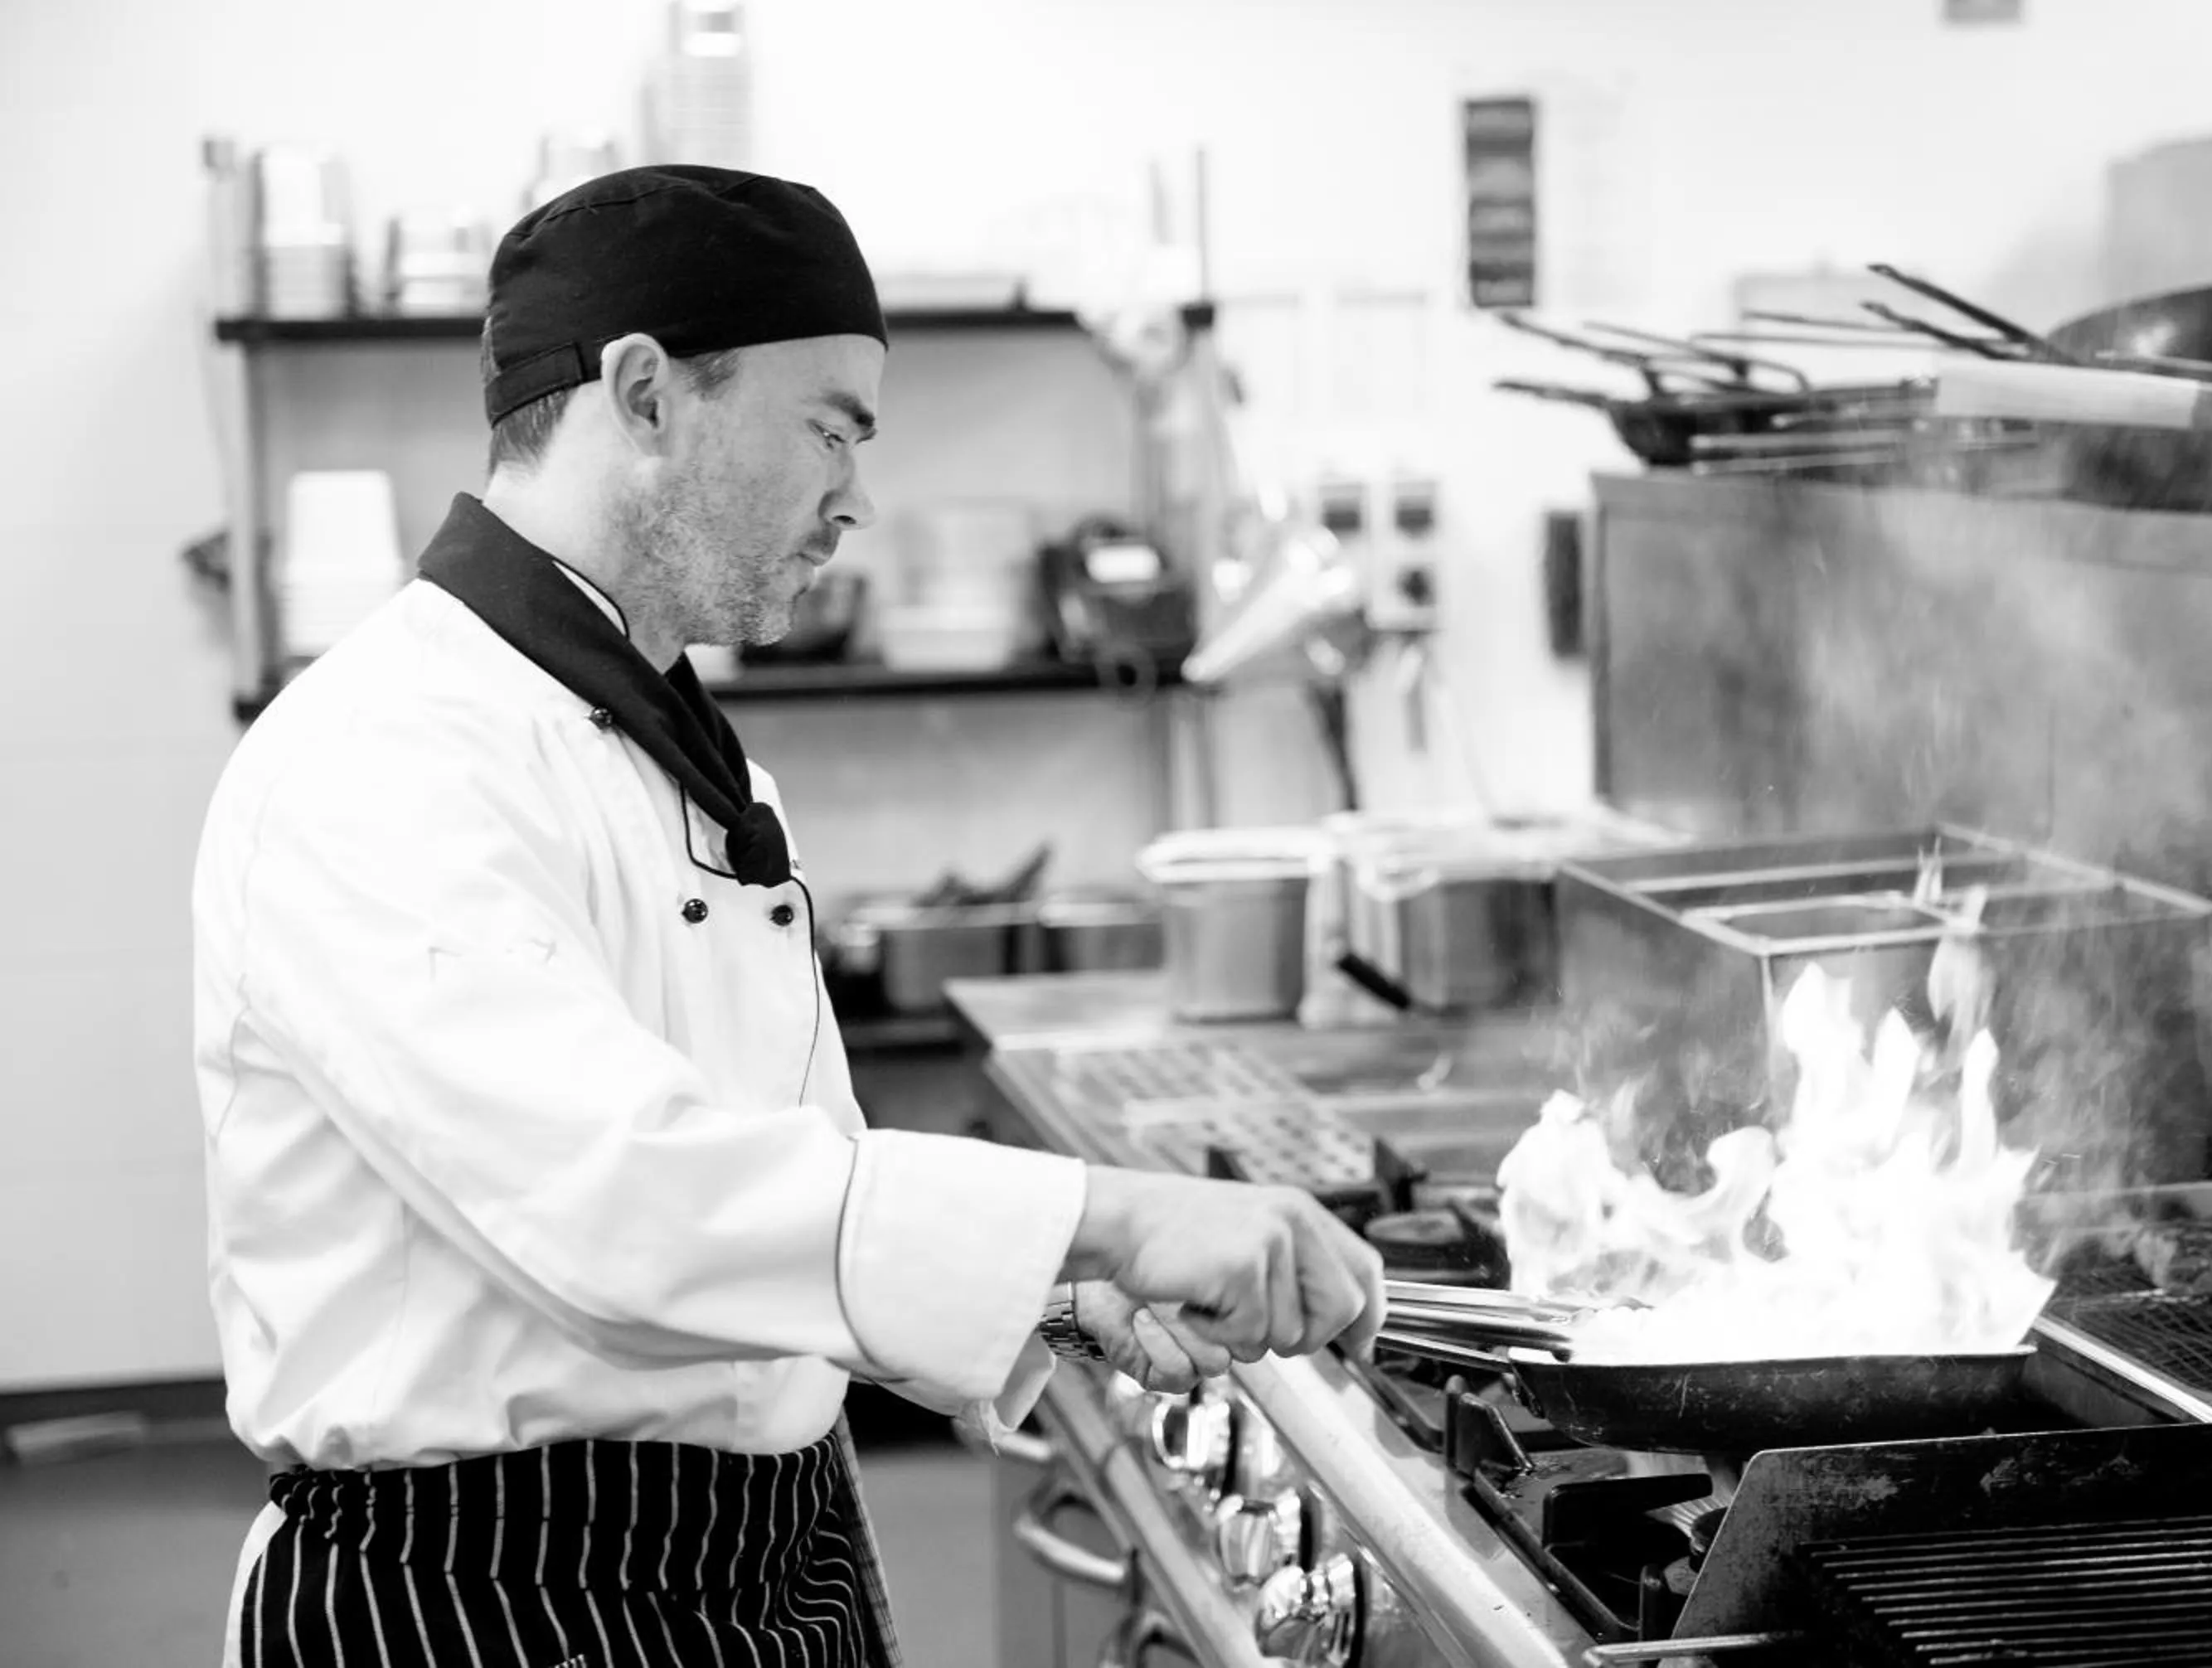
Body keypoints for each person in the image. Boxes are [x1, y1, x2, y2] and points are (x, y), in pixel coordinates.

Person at [194, 164, 1387, 1668]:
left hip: (757, 1570)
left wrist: (1059, 1288)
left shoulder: (678, 748)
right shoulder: (382, 754)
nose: (856, 495)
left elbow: (780, 1172)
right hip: (493, 1595)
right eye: (829, 425)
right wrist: (1116, 1210)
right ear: (643, 394)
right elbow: (619, 1202)